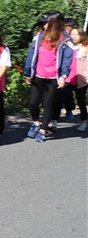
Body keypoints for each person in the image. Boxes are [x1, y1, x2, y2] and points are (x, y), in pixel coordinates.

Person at [23, 11, 74, 143]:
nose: (43, 25)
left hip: (53, 77)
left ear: (54, 24)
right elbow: (31, 54)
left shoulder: (65, 39)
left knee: (48, 104)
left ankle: (43, 130)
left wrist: (63, 76)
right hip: (38, 75)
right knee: (33, 103)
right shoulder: (39, 35)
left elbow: (67, 60)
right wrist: (28, 72)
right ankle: (35, 123)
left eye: (46, 23)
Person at [65, 26, 88, 132]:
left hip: (81, 78)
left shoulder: (86, 47)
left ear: (81, 35)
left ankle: (84, 120)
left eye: (76, 34)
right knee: (64, 96)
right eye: (72, 34)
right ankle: (69, 109)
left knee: (81, 101)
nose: (73, 37)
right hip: (68, 77)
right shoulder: (67, 45)